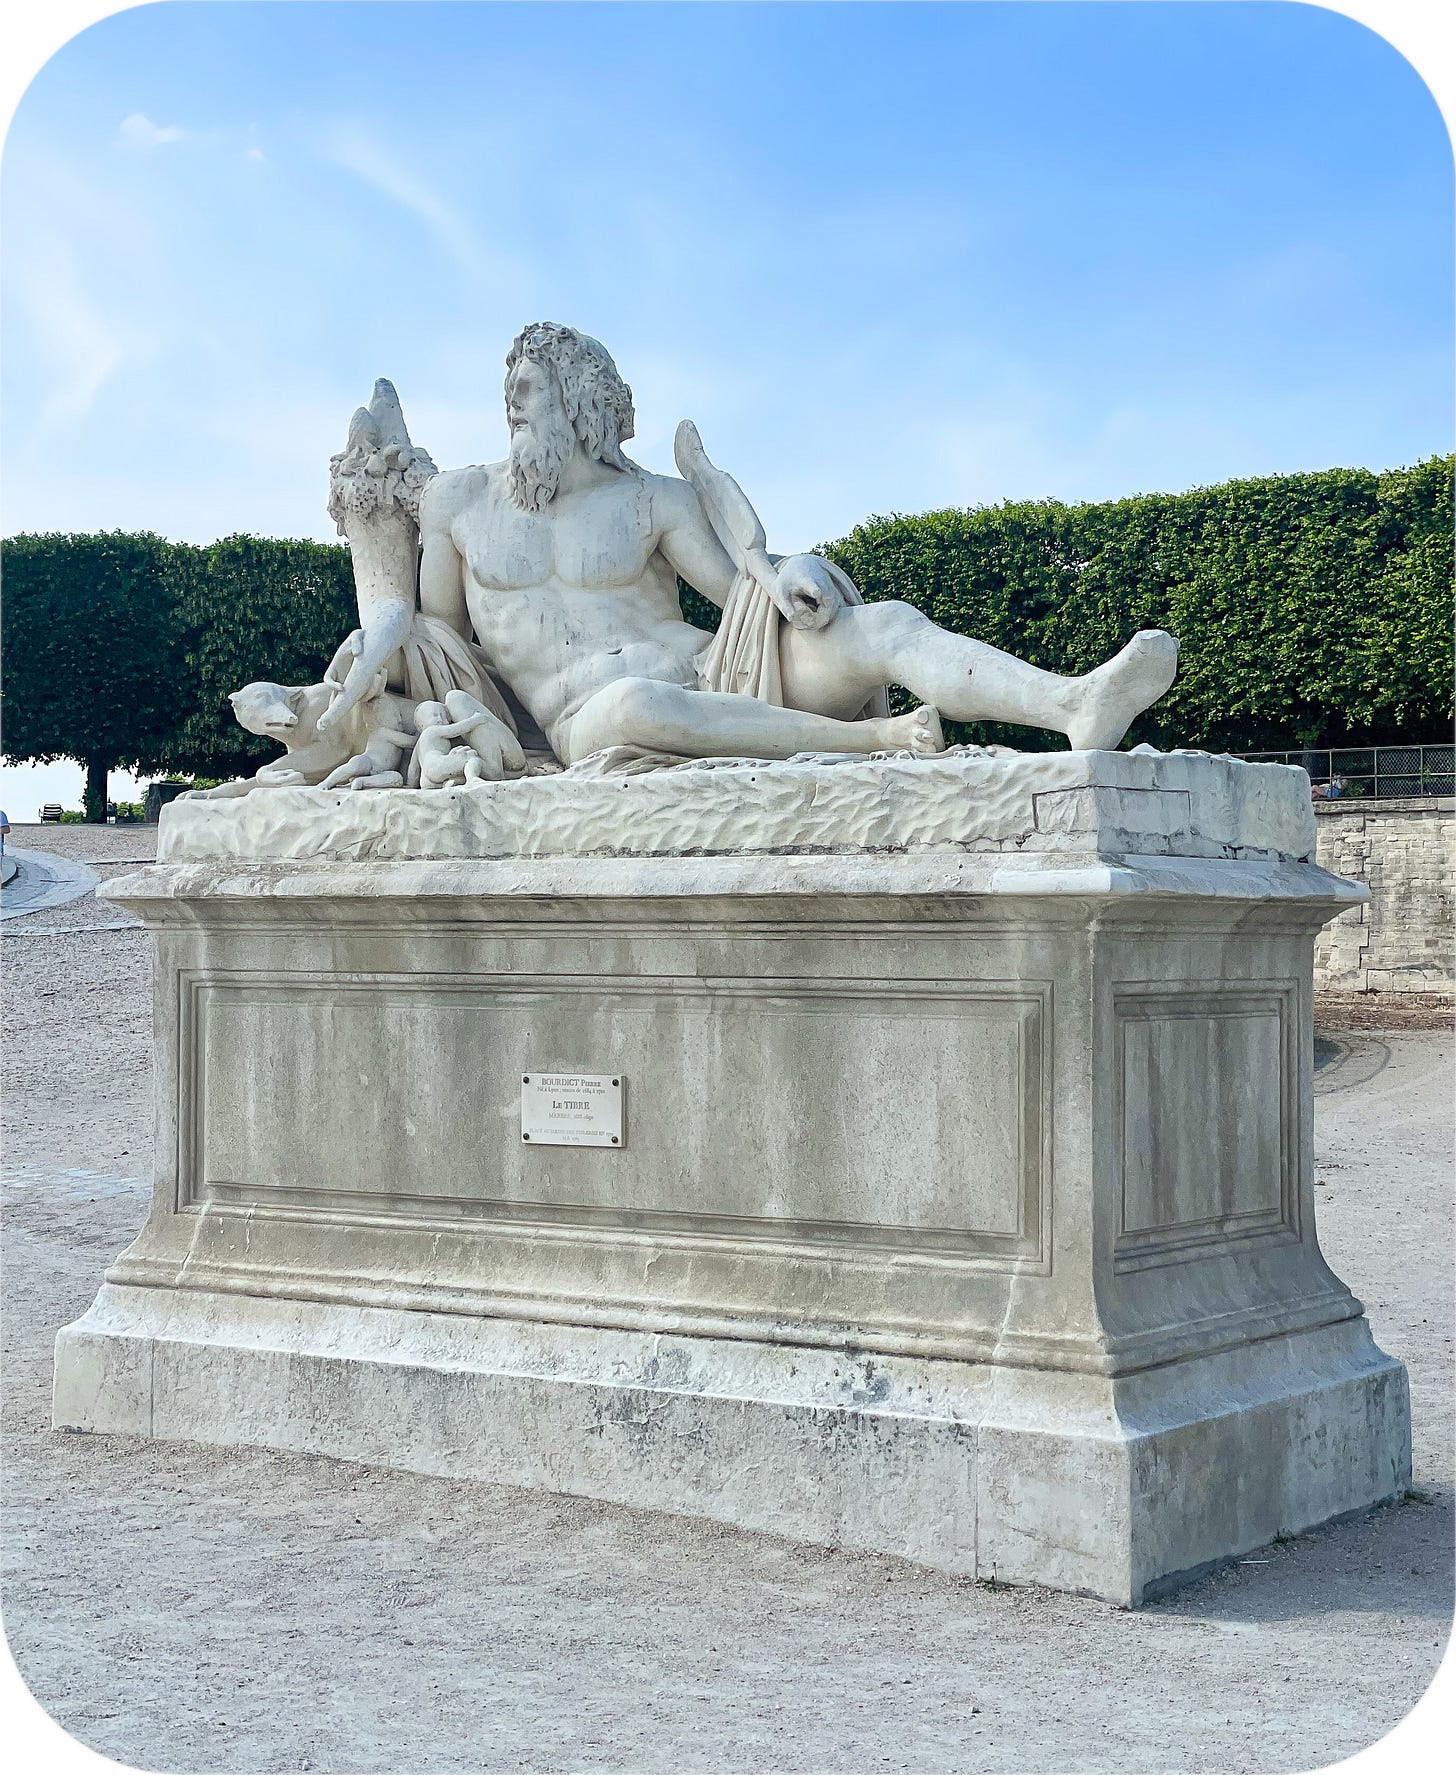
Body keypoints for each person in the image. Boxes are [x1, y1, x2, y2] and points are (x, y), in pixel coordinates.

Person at [409, 322, 1180, 773]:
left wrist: (789, 576)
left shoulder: (653, 499)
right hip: (591, 717)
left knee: (882, 624)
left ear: (579, 400)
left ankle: (1074, 703)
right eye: (510, 385)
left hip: (723, 675)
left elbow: (743, 589)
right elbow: (440, 649)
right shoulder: (459, 504)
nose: (511, 400)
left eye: (531, 384)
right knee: (638, 702)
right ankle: (873, 741)